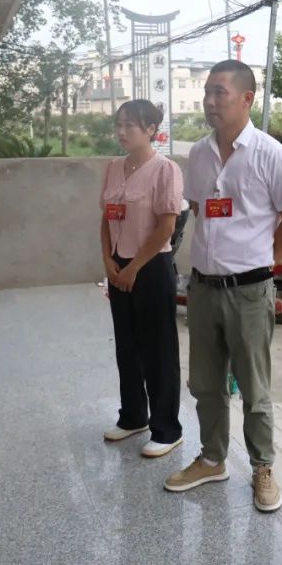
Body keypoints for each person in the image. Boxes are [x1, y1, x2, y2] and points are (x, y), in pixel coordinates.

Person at [164, 60, 282, 513]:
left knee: (254, 387)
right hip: (204, 289)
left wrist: (263, 258)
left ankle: (262, 467)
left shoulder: (270, 154)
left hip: (250, 292)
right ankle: (212, 459)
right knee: (206, 383)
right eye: (207, 92)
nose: (210, 100)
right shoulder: (199, 154)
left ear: (247, 99)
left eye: (219, 92)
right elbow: (201, 209)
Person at [100, 100, 185, 458]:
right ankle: (133, 416)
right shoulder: (113, 168)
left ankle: (166, 429)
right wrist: (108, 260)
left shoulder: (165, 170)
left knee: (158, 350)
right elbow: (106, 218)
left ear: (151, 130)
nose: (121, 132)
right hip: (118, 265)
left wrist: (134, 267)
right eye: (119, 124)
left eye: (130, 126)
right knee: (127, 345)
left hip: (150, 266)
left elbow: (166, 226)